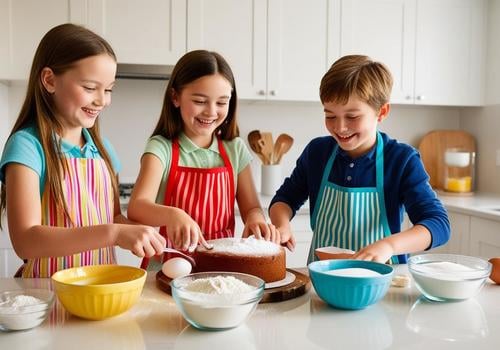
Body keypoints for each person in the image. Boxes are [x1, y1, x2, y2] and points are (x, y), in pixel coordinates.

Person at [0, 23, 166, 278]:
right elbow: (26, 239)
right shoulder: (27, 146)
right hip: (49, 295)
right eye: (90, 88)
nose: (102, 100)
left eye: (108, 89)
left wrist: (142, 234)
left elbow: (113, 218)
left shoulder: (103, 150)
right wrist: (114, 233)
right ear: (49, 80)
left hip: (99, 292)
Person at [269, 55, 450, 264]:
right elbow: (284, 199)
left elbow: (438, 224)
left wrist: (388, 246)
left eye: (352, 116)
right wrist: (281, 224)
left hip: (383, 284)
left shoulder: (402, 160)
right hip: (324, 279)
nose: (340, 127)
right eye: (330, 116)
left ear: (382, 112)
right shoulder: (317, 153)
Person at [127, 50, 278, 269]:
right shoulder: (162, 148)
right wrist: (173, 215)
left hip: (219, 266)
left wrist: (256, 220)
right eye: (200, 101)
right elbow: (137, 207)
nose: (211, 112)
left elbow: (251, 207)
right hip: (165, 267)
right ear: (175, 97)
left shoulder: (235, 149)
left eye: (221, 102)